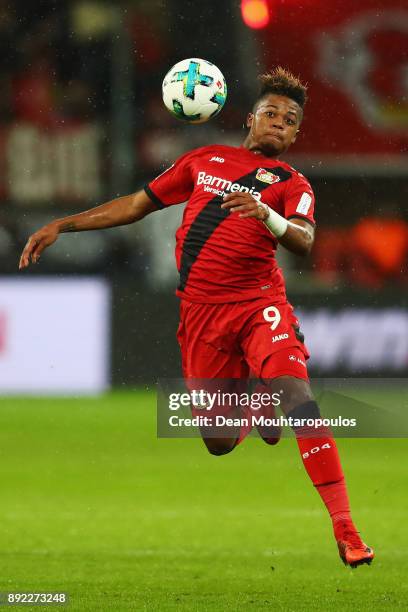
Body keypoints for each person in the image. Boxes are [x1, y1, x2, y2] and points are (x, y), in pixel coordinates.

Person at [19, 66, 374, 568]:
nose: (278, 122)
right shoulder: (202, 160)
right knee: (218, 441)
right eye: (270, 113)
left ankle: (346, 529)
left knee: (299, 399)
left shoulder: (292, 184)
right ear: (250, 118)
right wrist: (65, 223)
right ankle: (256, 403)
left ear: (295, 135)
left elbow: (304, 240)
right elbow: (137, 205)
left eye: (289, 120)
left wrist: (265, 213)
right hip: (201, 315)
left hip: (259, 306)